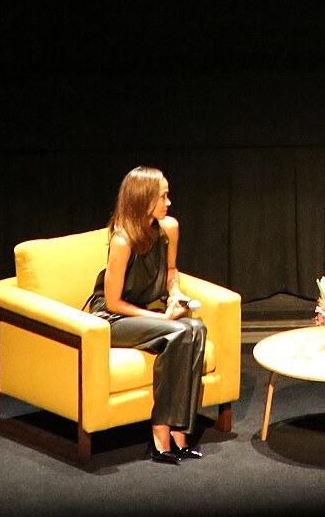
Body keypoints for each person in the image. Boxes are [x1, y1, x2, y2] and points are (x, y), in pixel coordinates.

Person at [87, 166, 209, 464]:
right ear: (144, 199)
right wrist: (162, 320)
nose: (169, 202)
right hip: (111, 320)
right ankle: (159, 432)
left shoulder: (169, 228)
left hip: (139, 315)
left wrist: (176, 292)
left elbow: (170, 271)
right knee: (179, 331)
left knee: (197, 329)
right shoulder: (122, 241)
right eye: (163, 196)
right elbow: (113, 303)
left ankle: (180, 433)